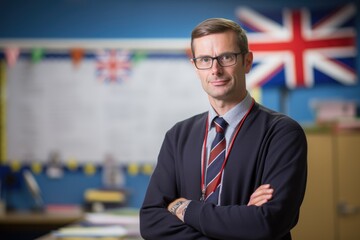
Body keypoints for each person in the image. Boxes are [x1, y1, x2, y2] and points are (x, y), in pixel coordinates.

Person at [140, 18, 307, 240]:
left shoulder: (282, 133)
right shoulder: (178, 136)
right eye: (205, 60)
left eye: (226, 57)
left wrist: (184, 208)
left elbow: (267, 222)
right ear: (195, 67)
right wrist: (240, 224)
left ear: (247, 62)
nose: (215, 70)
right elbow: (151, 222)